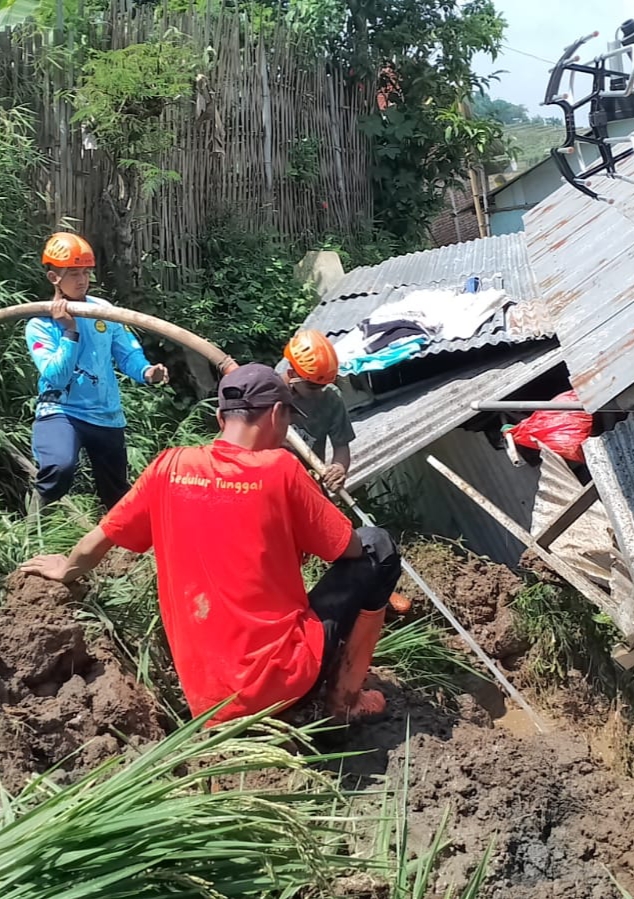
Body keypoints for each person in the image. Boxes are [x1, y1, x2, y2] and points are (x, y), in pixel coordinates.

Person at [20, 362, 402, 725]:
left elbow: (99, 540)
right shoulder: (281, 470)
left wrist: (66, 568)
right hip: (279, 685)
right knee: (377, 545)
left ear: (221, 419)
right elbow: (350, 550)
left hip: (209, 702)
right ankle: (346, 701)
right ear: (276, 416)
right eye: (287, 419)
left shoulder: (168, 467)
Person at [26, 231, 169, 511]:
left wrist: (147, 372)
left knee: (116, 492)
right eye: (74, 274)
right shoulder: (39, 324)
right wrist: (69, 331)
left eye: (86, 273)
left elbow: (127, 352)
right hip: (61, 410)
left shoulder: (103, 311)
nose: (82, 280)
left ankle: (124, 550)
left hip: (106, 414)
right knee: (59, 468)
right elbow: (55, 377)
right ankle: (31, 529)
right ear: (54, 278)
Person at [281, 329, 355, 493]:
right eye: (312, 386)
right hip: (276, 485)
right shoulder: (270, 394)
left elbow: (341, 445)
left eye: (323, 385)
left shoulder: (331, 399)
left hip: (311, 485)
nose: (319, 391)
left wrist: (338, 468)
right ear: (292, 374)